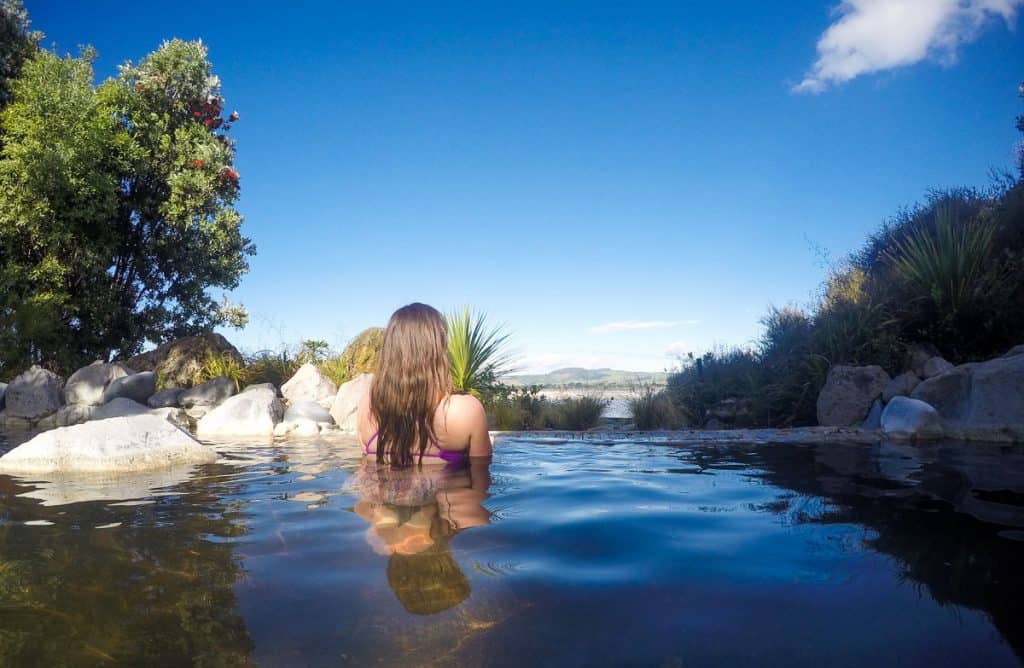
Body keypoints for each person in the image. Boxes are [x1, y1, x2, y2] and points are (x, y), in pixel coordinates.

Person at [356, 302, 492, 466]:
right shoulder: (466, 411)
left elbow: (367, 470)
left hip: (382, 490)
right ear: (438, 350)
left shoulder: (367, 406)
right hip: (448, 491)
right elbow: (481, 481)